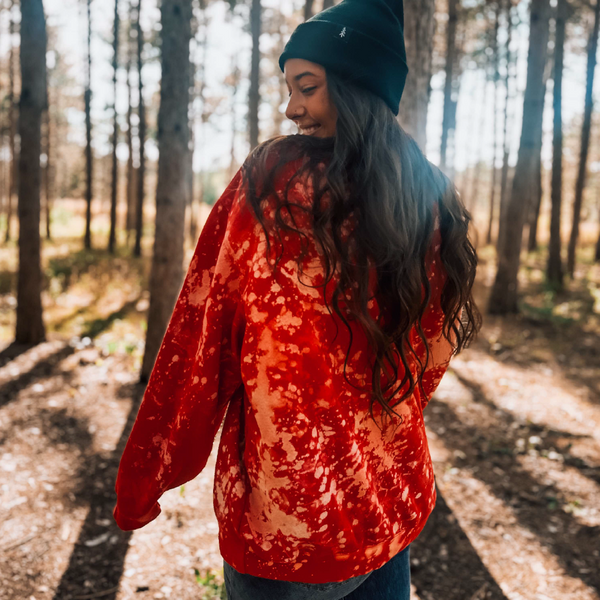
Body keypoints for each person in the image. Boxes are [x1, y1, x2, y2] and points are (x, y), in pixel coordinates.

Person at [113, 0, 482, 598]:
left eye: (307, 86)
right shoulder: (430, 193)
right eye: (290, 88)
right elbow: (428, 359)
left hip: (285, 519)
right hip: (389, 498)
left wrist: (147, 475)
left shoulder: (270, 183)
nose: (290, 108)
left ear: (359, 84)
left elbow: (200, 336)